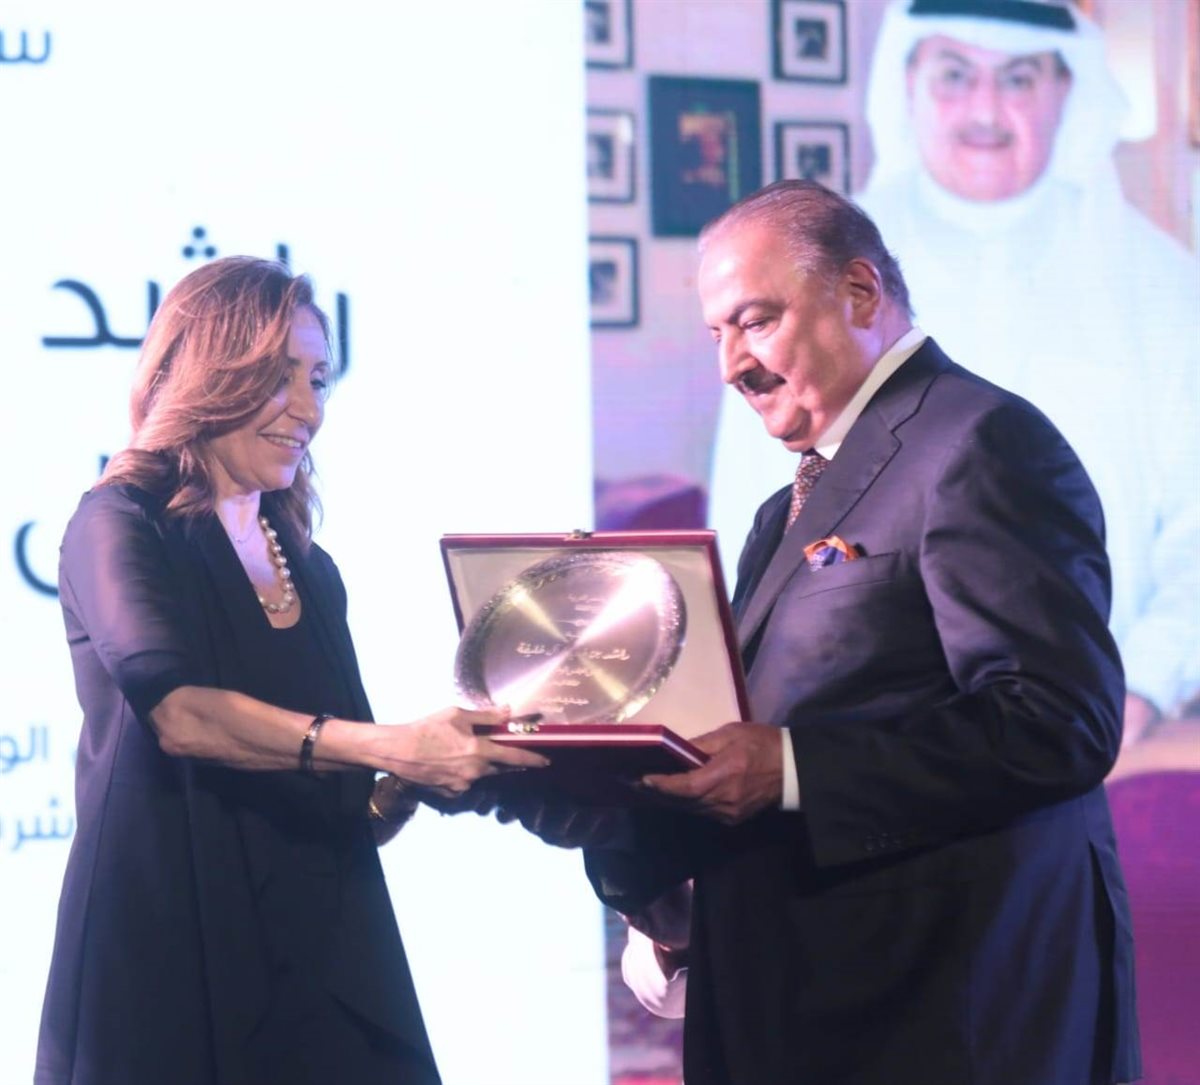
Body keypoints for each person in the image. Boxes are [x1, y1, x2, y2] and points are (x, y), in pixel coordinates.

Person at [574, 180, 1140, 1085]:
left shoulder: (981, 442)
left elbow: (1056, 721)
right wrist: (626, 835)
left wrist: (791, 767)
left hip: (945, 1024)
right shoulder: (784, 508)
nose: (731, 365)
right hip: (802, 1011)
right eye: (716, 333)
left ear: (861, 293)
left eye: (755, 322)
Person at [34, 257, 545, 1085]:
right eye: (280, 376)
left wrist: (410, 780)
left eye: (318, 379)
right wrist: (392, 743)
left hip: (317, 973)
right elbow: (181, 714)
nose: (308, 409)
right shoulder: (118, 522)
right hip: (166, 972)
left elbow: (345, 814)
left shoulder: (311, 567)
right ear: (207, 372)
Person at [708, 0, 1200, 745]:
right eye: (955, 75)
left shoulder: (1163, 283)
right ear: (907, 82)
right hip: (833, 746)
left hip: (1097, 733)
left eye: (1019, 78)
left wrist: (1142, 686)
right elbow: (753, 521)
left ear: (1065, 89)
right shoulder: (798, 278)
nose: (986, 109)